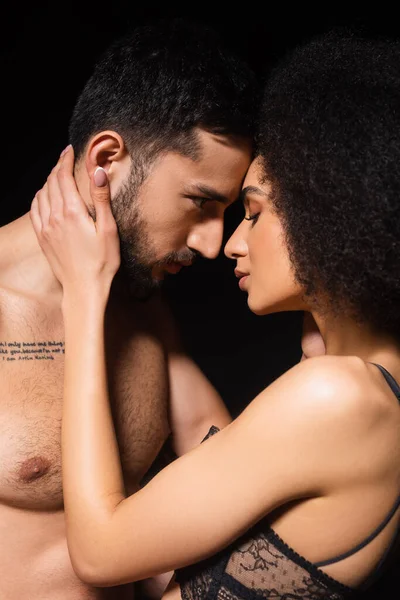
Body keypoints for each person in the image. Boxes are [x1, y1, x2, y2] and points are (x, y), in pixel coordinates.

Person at [31, 28, 400, 600]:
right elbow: (226, 470)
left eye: (250, 213)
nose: (225, 244)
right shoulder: (364, 389)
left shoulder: (338, 395)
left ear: (330, 212)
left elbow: (100, 554)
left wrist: (85, 292)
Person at [0, 17, 259, 600]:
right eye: (199, 202)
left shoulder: (142, 304)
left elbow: (231, 462)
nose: (213, 244)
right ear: (107, 157)